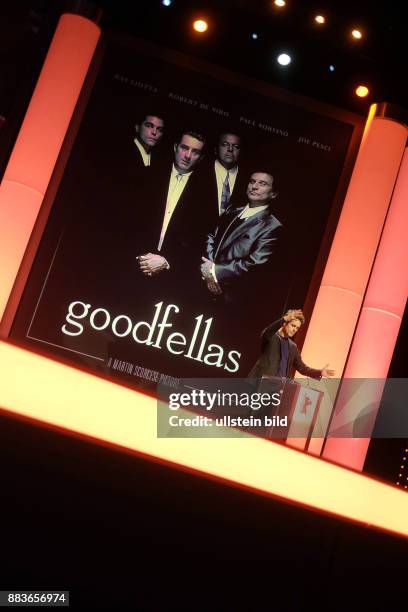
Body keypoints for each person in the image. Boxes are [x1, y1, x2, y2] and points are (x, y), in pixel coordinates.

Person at [138, 129, 216, 280]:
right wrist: (143, 258)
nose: (187, 155)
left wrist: (167, 261)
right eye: (184, 148)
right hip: (134, 262)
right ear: (175, 147)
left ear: (201, 157)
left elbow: (197, 242)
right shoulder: (149, 175)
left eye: (195, 152)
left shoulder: (205, 195)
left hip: (171, 275)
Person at [200, 171, 282, 304]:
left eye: (262, 184)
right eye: (252, 181)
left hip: (230, 296)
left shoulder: (272, 226)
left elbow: (255, 264)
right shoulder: (232, 210)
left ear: (273, 193)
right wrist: (208, 269)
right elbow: (211, 236)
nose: (254, 186)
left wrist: (215, 271)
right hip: (203, 282)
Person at [248, 309, 335, 379]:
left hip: (278, 390)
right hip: (260, 385)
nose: (295, 330)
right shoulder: (271, 337)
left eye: (297, 328)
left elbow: (302, 367)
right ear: (285, 324)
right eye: (293, 326)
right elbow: (267, 332)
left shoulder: (292, 346)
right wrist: (284, 318)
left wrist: (320, 372)